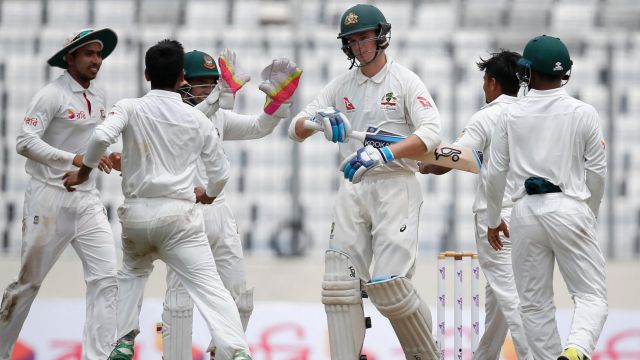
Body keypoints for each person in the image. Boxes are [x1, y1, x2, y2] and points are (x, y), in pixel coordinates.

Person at [62, 39, 252, 360]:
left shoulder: (129, 106)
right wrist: (209, 194)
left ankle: (123, 341)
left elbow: (98, 138)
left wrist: (84, 173)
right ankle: (236, 350)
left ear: (147, 73)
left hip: (136, 215)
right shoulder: (196, 119)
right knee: (210, 286)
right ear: (182, 77)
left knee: (132, 274)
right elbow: (220, 172)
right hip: (179, 217)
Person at [288, 4, 441, 359]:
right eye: (352, 40)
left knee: (390, 286)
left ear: (380, 36)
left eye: (365, 37)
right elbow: (296, 129)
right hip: (354, 184)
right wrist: (318, 121)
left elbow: (432, 133)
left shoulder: (404, 81)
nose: (359, 46)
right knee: (339, 283)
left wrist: (387, 153)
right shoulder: (341, 85)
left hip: (395, 184)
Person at [160, 48, 301, 359]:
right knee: (180, 301)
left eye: (214, 83)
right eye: (202, 84)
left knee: (239, 300)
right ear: (182, 84)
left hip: (220, 213)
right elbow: (189, 124)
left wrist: (277, 106)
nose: (210, 90)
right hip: (185, 213)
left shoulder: (217, 115)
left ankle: (221, 354)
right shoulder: (168, 115)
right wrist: (217, 99)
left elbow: (257, 128)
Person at [485, 35, 608, 360]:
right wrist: (590, 215)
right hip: (569, 206)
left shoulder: (510, 115)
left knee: (534, 305)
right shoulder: (584, 113)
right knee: (592, 296)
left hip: (524, 212)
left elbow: (495, 173)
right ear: (565, 73)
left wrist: (493, 219)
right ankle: (576, 351)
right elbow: (597, 173)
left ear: (526, 72)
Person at [0, 28, 119, 360]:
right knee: (29, 284)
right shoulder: (50, 95)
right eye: (89, 54)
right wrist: (73, 159)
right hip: (47, 197)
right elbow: (24, 142)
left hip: (86, 197)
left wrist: (102, 157)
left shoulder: (100, 96)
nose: (96, 60)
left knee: (106, 277)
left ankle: (97, 355)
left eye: (99, 54)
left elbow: (91, 144)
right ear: (70, 58)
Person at [420, 50, 532, 359]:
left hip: (496, 218)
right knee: (498, 299)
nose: (484, 87)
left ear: (493, 83)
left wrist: (425, 160)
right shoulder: (530, 113)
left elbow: (456, 156)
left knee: (511, 297)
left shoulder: (488, 115)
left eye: (485, 81)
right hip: (529, 215)